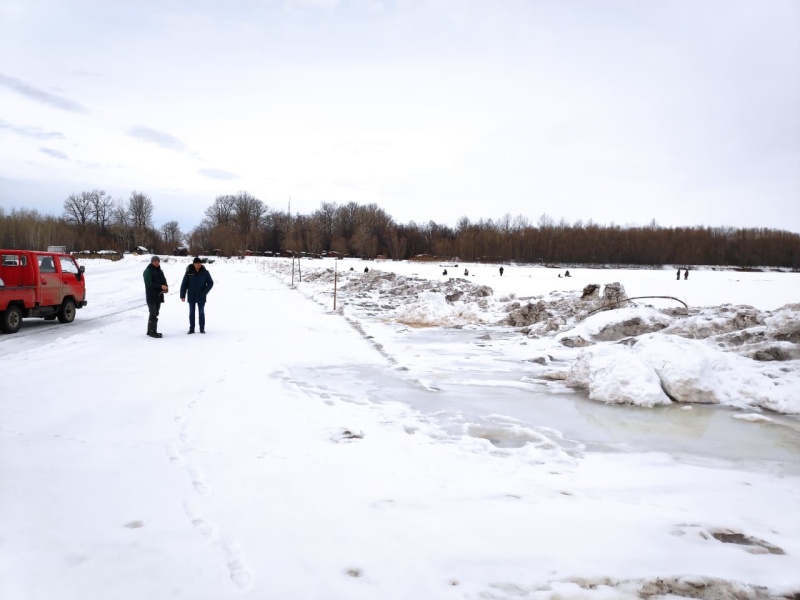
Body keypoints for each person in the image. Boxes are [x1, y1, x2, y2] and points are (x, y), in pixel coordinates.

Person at [180, 257, 214, 334]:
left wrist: (205, 291)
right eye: (197, 263)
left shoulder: (205, 272)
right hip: (191, 295)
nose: (198, 264)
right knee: (192, 312)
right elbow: (184, 284)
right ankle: (192, 329)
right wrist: (182, 295)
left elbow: (210, 283)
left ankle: (202, 328)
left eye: (199, 263)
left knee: (201, 312)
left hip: (201, 295)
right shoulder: (189, 272)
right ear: (194, 264)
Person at [143, 255, 168, 338]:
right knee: (153, 313)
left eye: (158, 261)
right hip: (151, 296)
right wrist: (161, 286)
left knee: (155, 313)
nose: (157, 263)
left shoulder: (160, 271)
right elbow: (148, 284)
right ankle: (153, 332)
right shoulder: (148, 271)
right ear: (152, 262)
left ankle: (149, 331)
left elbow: (163, 281)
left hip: (159, 296)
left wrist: (166, 287)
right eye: (155, 261)